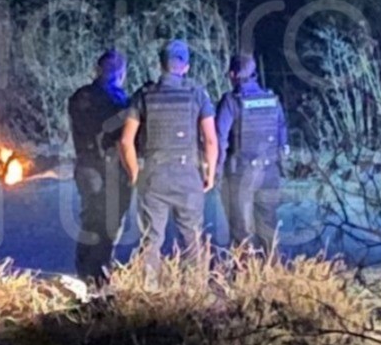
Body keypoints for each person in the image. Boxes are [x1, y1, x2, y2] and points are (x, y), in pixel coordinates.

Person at [119, 40, 217, 283]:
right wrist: (210, 174)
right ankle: (194, 295)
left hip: (154, 176)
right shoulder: (197, 94)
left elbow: (125, 141)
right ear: (186, 67)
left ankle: (148, 296)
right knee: (192, 240)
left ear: (161, 65)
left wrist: (134, 174)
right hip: (187, 176)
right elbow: (211, 140)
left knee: (151, 241)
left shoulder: (144, 95)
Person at [67, 49, 132, 287]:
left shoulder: (78, 96)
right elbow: (122, 137)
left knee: (89, 220)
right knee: (108, 223)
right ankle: (99, 277)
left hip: (84, 166)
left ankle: (84, 272)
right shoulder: (117, 101)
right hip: (108, 170)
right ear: (121, 73)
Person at [215, 54, 288, 254]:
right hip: (269, 172)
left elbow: (220, 139)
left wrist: (217, 171)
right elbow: (282, 135)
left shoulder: (231, 101)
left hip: (241, 174)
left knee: (241, 231)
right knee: (268, 227)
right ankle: (273, 275)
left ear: (232, 74)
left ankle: (246, 278)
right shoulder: (272, 100)